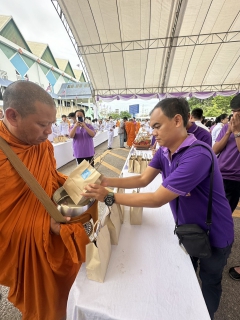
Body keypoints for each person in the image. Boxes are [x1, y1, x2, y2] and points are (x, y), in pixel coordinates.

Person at [83, 98, 234, 320]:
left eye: (157, 126)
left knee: (210, 281)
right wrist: (106, 180)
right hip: (188, 229)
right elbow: (143, 179)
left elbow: (156, 199)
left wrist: (110, 198)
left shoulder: (198, 154)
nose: (153, 132)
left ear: (177, 120)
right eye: (152, 127)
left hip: (214, 233)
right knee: (186, 275)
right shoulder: (164, 152)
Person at [0, 81, 90, 320]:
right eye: (42, 124)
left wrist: (77, 183)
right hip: (29, 239)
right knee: (43, 302)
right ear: (13, 115)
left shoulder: (42, 147)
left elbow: (48, 180)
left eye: (51, 123)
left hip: (50, 222)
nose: (50, 131)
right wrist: (43, 226)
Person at [212, 94, 240, 281]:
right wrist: (229, 132)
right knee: (214, 212)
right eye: (233, 112)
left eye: (238, 112)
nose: (234, 116)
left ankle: (218, 250)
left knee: (223, 216)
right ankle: (210, 244)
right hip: (220, 176)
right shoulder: (226, 127)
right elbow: (215, 150)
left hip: (235, 180)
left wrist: (237, 132)